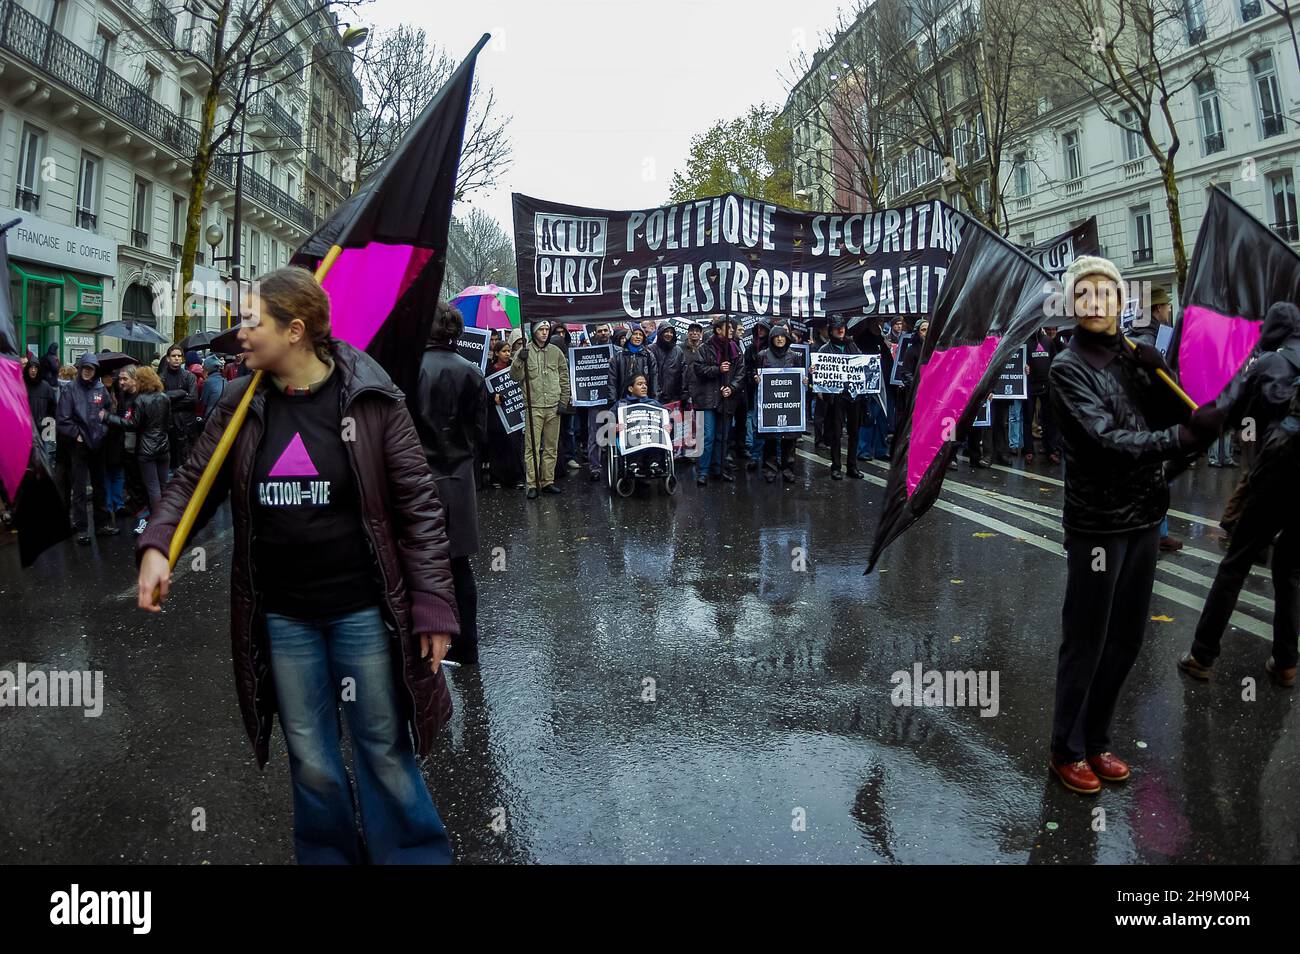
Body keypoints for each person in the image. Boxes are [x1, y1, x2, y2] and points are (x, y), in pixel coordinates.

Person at [135, 266, 459, 865]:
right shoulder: (240, 403)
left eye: (254, 320)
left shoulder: (372, 398)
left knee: (382, 750)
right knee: (310, 758)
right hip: (284, 619)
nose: (241, 332)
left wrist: (434, 605)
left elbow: (420, 508)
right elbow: (190, 483)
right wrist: (159, 544)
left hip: (363, 613)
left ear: (296, 331)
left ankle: (412, 857)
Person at [1047, 255, 1220, 795]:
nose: (1097, 303)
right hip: (1098, 525)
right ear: (1075, 304)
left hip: (1145, 516)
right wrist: (1181, 440)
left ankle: (1097, 739)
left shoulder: (1138, 358)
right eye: (1086, 294)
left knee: (1125, 638)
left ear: (1124, 302)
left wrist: (1169, 385)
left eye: (1107, 293)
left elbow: (1172, 423)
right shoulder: (1066, 367)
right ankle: (1066, 748)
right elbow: (1104, 443)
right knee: (1087, 639)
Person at [1178, 301, 1300, 687]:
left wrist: (1178, 451)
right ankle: (1285, 662)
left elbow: (1229, 415)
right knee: (1291, 568)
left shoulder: (1268, 364)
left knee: (1236, 562)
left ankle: (1201, 654)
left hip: (1278, 471)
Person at [414, 302, 490, 668]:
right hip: (458, 477)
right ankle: (467, 648)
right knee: (459, 567)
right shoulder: (472, 371)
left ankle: (423, 647)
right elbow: (480, 433)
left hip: (416, 478)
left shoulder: (407, 370)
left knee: (417, 565)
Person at [56, 353, 120, 544]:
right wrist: (77, 434)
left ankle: (101, 525)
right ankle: (81, 528)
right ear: (81, 368)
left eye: (91, 369)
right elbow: (63, 419)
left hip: (98, 443)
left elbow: (108, 412)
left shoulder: (101, 388)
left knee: (100, 485)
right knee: (79, 488)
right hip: (79, 446)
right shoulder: (70, 389)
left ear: (95, 371)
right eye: (85, 368)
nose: (87, 371)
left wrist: (103, 429)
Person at [511, 321, 571, 498]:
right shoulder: (525, 351)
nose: (544, 333)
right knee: (532, 448)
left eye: (546, 330)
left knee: (551, 447)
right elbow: (515, 377)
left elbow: (564, 378)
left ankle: (547, 481)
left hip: (553, 406)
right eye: (541, 330)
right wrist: (519, 360)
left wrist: (563, 401)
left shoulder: (556, 352)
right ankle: (532, 483)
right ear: (533, 332)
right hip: (534, 406)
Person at [110, 364, 171, 529]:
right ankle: (167, 517)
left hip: (146, 449)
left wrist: (109, 418)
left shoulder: (140, 400)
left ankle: (157, 522)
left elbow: (133, 424)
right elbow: (168, 423)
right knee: (163, 484)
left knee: (152, 487)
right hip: (163, 447)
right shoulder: (164, 397)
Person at [690, 316, 744, 486]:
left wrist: (732, 388)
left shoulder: (736, 350)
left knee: (723, 437)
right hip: (707, 399)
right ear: (718, 330)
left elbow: (740, 373)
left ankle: (718, 469)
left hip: (726, 400)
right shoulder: (704, 349)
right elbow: (699, 369)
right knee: (708, 436)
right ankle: (703, 471)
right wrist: (717, 369)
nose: (731, 331)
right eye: (727, 328)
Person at [815, 316, 865, 480]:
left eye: (842, 326)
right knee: (836, 433)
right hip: (836, 398)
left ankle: (852, 466)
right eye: (837, 327)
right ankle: (836, 466)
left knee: (854, 432)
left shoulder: (852, 345)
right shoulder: (824, 350)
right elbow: (819, 374)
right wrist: (814, 372)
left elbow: (862, 367)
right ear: (831, 329)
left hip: (853, 396)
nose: (840, 329)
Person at [754, 324, 803, 483]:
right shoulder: (762, 355)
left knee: (789, 437)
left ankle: (788, 468)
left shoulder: (794, 356)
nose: (780, 339)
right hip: (770, 403)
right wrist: (756, 379)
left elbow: (800, 377)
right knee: (770, 437)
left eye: (783, 336)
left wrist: (805, 380)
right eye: (777, 336)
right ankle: (770, 468)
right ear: (771, 339)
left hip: (789, 403)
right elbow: (751, 373)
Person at [484, 340, 526, 489]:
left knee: (513, 446)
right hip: (495, 415)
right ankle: (497, 478)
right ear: (496, 353)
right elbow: (482, 392)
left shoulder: (513, 368)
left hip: (512, 413)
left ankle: (517, 478)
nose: (507, 354)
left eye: (509, 351)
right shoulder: (487, 370)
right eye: (504, 351)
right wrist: (492, 398)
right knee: (497, 446)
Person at [1024, 327, 1062, 466]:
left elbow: (1055, 360)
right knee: (1027, 418)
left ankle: (1051, 450)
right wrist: (1024, 366)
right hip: (1029, 386)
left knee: (1049, 419)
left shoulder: (1048, 341)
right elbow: (1020, 360)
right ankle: (1028, 450)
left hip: (1047, 386)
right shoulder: (1026, 342)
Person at [548, 322, 581, 472]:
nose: (560, 335)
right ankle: (558, 460)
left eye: (563, 333)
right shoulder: (546, 358)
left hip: (568, 399)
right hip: (552, 400)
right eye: (557, 332)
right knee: (554, 432)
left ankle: (570, 457)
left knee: (569, 430)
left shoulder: (571, 355)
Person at [160, 344, 198, 471]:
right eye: (173, 356)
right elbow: (159, 400)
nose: (176, 358)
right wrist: (181, 393)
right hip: (168, 427)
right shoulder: (161, 378)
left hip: (186, 427)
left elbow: (193, 400)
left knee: (185, 464)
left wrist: (170, 400)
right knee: (170, 464)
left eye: (179, 356)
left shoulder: (189, 376)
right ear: (168, 358)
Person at [585, 323, 614, 482]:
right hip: (595, 399)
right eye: (599, 331)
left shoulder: (617, 351)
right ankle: (595, 467)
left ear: (609, 331)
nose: (602, 333)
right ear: (595, 333)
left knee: (615, 432)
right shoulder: (588, 352)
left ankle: (615, 462)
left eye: (605, 330)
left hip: (613, 398)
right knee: (595, 434)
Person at [742, 320, 771, 471]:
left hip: (772, 391)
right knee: (755, 421)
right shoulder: (751, 348)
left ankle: (771, 455)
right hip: (755, 389)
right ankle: (754, 453)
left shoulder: (772, 348)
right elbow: (747, 368)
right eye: (758, 329)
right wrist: (753, 377)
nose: (760, 331)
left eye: (763, 329)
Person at [608, 325, 659, 407]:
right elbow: (612, 382)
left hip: (644, 400)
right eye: (635, 334)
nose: (638, 337)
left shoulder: (648, 355)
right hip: (623, 400)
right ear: (629, 336)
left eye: (641, 335)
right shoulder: (618, 357)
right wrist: (613, 402)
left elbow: (654, 379)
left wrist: (654, 400)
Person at [24, 358, 57, 455]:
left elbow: (53, 409)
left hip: (42, 430)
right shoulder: (21, 385)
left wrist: (46, 424)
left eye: (35, 368)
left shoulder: (46, 387)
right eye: (31, 367)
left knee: (43, 458)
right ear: (27, 369)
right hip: (25, 430)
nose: (33, 370)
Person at [653, 322, 686, 404]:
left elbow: (683, 373)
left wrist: (684, 395)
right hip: (654, 397)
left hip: (674, 397)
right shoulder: (651, 349)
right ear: (660, 333)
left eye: (671, 332)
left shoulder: (678, 350)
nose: (669, 334)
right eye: (666, 331)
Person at [198, 355, 226, 430]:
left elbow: (203, 402)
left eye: (203, 369)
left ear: (207, 370)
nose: (202, 371)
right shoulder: (225, 381)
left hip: (211, 418)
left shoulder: (208, 382)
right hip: (223, 418)